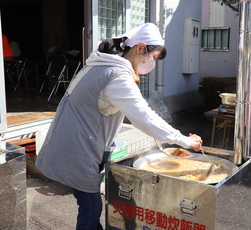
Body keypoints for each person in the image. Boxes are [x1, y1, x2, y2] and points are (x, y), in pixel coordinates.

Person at [35, 23, 203, 230]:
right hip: (80, 153)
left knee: (88, 205)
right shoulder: (117, 76)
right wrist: (184, 140)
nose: (153, 64)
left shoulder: (97, 66)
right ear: (141, 48)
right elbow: (144, 118)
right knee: (90, 208)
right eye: (154, 57)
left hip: (67, 145)